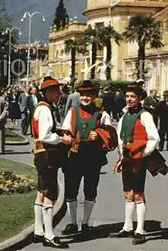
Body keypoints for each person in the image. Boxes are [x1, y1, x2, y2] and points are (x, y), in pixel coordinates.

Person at [110, 84, 168, 246]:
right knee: (127, 192)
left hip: (139, 159)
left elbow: (154, 138)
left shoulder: (145, 116)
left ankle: (140, 230)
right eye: (127, 96)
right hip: (127, 159)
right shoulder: (124, 115)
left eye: (133, 97)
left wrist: (142, 154)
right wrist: (122, 156)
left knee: (138, 193)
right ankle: (128, 226)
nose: (129, 99)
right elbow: (121, 138)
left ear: (140, 98)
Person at [60, 80, 118, 237]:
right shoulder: (72, 112)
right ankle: (72, 222)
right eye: (82, 94)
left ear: (94, 96)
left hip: (93, 158)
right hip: (74, 157)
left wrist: (99, 134)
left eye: (88, 94)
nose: (85, 97)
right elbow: (64, 131)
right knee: (71, 190)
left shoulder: (102, 114)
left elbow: (112, 136)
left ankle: (85, 223)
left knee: (90, 190)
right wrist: (67, 137)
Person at [31, 76, 73, 248]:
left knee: (41, 191)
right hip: (47, 154)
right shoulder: (46, 109)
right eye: (54, 91)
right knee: (50, 193)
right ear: (46, 93)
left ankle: (38, 230)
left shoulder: (41, 108)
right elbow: (45, 135)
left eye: (58, 90)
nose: (58, 94)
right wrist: (63, 140)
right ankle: (49, 235)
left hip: (40, 154)